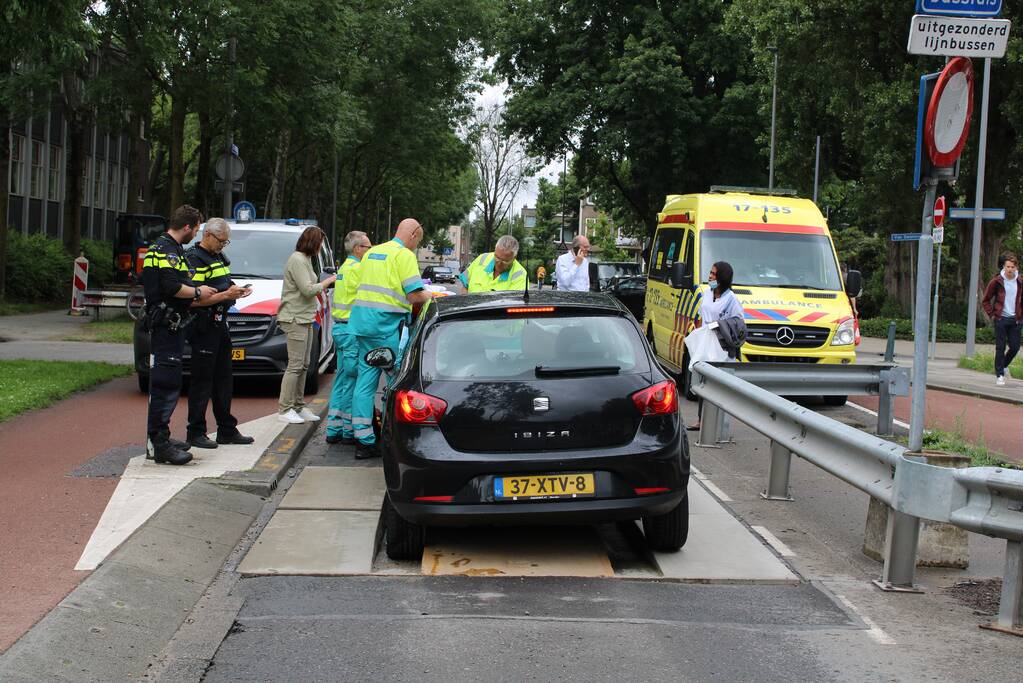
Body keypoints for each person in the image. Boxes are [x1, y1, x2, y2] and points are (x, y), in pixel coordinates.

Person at [348, 218, 432, 458]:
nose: (416, 246)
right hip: (386, 326)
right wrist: (433, 294)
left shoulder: (373, 252)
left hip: (363, 324)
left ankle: (363, 439)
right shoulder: (403, 255)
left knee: (365, 381)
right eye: (418, 241)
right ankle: (391, 436)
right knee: (395, 381)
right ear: (414, 234)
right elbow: (415, 295)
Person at [141, 205, 217, 465]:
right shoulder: (167, 251)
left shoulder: (164, 248)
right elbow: (171, 286)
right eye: (196, 229)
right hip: (166, 326)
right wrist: (198, 293)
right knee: (165, 384)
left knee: (168, 382)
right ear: (187, 227)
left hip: (169, 325)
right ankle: (160, 444)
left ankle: (161, 438)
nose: (196, 234)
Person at [183, 218, 255, 449]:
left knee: (224, 378)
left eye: (226, 242)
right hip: (202, 324)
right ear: (207, 236)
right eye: (221, 241)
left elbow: (223, 282)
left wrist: (235, 290)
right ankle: (195, 431)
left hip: (219, 322)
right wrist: (226, 295)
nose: (224, 246)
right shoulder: (194, 258)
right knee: (202, 381)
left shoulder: (218, 257)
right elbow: (192, 299)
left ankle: (226, 429)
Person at [277, 226, 337, 423]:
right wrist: (329, 282)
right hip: (295, 318)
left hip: (305, 317)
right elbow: (307, 290)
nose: (320, 247)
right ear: (313, 242)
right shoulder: (297, 260)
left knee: (304, 365)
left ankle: (298, 406)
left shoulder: (306, 259)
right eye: (319, 243)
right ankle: (285, 409)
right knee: (295, 365)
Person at [325, 230, 372, 445]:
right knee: (353, 381)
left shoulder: (344, 267)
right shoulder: (359, 268)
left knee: (342, 379)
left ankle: (334, 427)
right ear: (357, 249)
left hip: (340, 329)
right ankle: (347, 430)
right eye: (368, 247)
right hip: (351, 330)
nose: (370, 251)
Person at [687, 261, 745, 431]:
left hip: (721, 346)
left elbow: (739, 323)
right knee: (701, 380)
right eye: (710, 273)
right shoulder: (707, 293)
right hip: (704, 343)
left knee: (717, 385)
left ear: (722, 278)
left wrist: (720, 325)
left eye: (713, 274)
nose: (710, 276)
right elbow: (701, 316)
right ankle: (701, 420)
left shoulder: (731, 299)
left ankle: (717, 424)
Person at [982, 254, 1023, 386]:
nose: (1010, 269)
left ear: (1016, 267)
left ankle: (1004, 366)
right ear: (1004, 267)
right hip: (1001, 319)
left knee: (1015, 347)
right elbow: (986, 300)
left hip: (1016, 320)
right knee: (1000, 347)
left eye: (1012, 266)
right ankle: (999, 375)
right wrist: (992, 315)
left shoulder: (1020, 281)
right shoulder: (997, 281)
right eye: (1007, 267)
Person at [457, 235, 528, 293]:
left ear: (514, 257)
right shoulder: (482, 259)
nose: (499, 263)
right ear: (495, 250)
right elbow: (465, 287)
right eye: (497, 257)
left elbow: (513, 306)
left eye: (504, 261)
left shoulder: (520, 277)